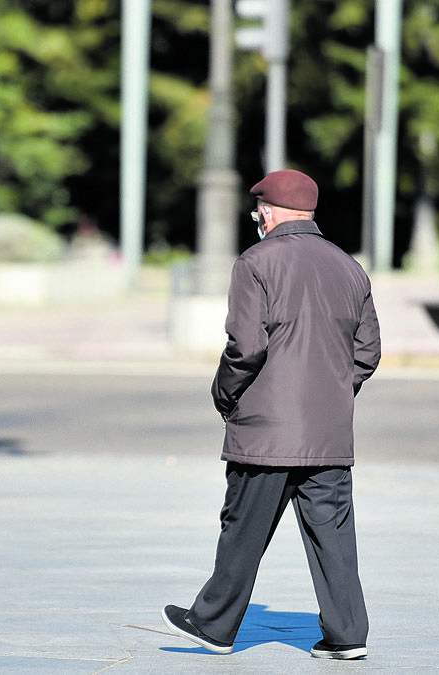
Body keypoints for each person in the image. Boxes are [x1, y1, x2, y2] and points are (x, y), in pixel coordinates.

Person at [161, 169, 382, 660]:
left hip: (265, 431)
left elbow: (246, 346)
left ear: (266, 211)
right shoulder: (349, 268)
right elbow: (367, 351)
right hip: (328, 434)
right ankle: (348, 636)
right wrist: (331, 395)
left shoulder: (256, 262)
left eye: (257, 211)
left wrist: (224, 395)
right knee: (333, 534)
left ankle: (213, 625)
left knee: (242, 526)